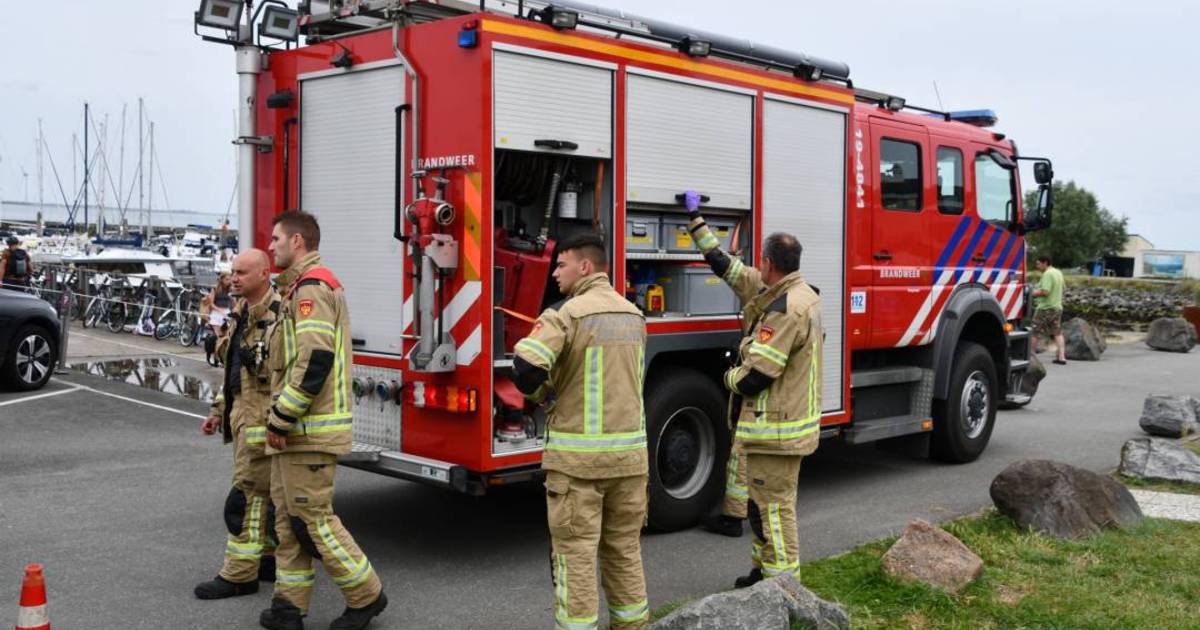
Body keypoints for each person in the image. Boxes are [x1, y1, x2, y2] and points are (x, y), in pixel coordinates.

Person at [682, 190, 824, 588]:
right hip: (781, 429)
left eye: (759, 261)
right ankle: (764, 573)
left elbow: (757, 375)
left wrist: (726, 375)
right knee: (766, 510)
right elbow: (723, 264)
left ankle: (781, 589)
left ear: (768, 263)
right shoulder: (786, 293)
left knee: (773, 512)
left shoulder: (784, 309)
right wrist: (696, 223)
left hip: (777, 432)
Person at [512, 233, 651, 630]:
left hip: (579, 468)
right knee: (624, 551)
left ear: (585, 267)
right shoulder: (634, 315)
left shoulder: (566, 314)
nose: (555, 272)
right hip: (630, 464)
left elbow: (525, 368)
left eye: (561, 264)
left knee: (574, 557)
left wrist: (545, 391)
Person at [259, 211, 386, 630]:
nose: (271, 244)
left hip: (305, 431)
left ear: (298, 241)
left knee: (312, 520)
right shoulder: (297, 288)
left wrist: (279, 418)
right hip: (296, 431)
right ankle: (288, 608)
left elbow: (314, 361)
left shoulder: (311, 289)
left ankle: (366, 595)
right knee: (288, 520)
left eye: (276, 238)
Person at [195, 249, 282, 600]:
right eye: (233, 271)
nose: (234, 278)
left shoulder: (278, 316)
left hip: (260, 421)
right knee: (264, 496)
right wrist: (218, 410)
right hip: (242, 415)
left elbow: (280, 374)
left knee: (245, 497)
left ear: (264, 274)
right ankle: (267, 559)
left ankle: (238, 574)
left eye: (242, 272)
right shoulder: (243, 312)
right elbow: (236, 369)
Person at [1032, 255, 1066, 365]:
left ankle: (1031, 356)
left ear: (1045, 263)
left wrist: (1032, 293)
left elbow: (1045, 291)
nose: (1037, 266)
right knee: (1057, 332)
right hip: (1057, 307)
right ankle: (1061, 357)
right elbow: (1063, 288)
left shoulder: (1047, 274)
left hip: (1045, 308)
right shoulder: (1058, 272)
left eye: (1038, 264)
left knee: (1035, 331)